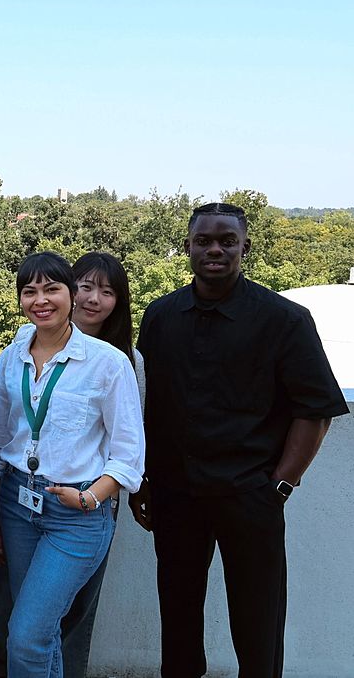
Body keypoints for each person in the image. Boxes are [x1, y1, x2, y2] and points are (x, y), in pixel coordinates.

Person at [132, 202, 346, 678]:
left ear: (245, 247)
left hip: (250, 495)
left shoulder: (285, 319)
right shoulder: (161, 316)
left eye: (227, 241)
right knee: (178, 617)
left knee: (258, 622)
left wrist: (281, 486)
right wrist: (143, 479)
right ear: (187, 247)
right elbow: (146, 406)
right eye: (204, 240)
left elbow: (315, 410)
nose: (215, 249)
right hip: (175, 494)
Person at [0, 251, 144, 678]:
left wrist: (88, 499)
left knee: (27, 635)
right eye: (29, 291)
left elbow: (129, 455)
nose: (40, 300)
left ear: (70, 294)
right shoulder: (13, 356)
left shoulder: (108, 362)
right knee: (40, 633)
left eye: (51, 289)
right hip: (16, 504)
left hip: (76, 515)